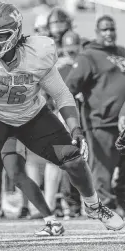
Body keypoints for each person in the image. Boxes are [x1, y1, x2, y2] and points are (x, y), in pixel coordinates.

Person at [0, 2, 124, 246]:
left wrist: (75, 128)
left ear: (16, 33)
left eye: (0, 36)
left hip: (31, 115)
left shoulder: (37, 53)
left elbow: (62, 94)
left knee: (74, 159)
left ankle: (94, 206)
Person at [65, 15, 125, 209]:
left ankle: (120, 208)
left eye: (112, 29)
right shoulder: (88, 56)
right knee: (102, 172)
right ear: (97, 32)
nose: (109, 33)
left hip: (123, 123)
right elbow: (69, 88)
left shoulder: (122, 52)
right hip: (101, 122)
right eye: (104, 29)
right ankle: (104, 212)